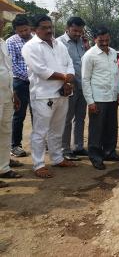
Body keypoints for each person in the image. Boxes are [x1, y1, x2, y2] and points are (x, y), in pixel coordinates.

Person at [21, 15, 76, 178]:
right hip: (43, 95)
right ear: (34, 30)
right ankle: (38, 164)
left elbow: (70, 64)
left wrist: (68, 81)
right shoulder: (30, 47)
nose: (49, 30)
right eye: (44, 27)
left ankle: (57, 158)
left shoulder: (59, 44)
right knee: (40, 131)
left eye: (50, 27)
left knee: (57, 129)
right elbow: (41, 71)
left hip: (63, 92)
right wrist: (65, 77)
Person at [82, 26, 119, 170]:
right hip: (98, 98)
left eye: (107, 40)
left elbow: (116, 74)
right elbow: (85, 80)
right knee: (96, 129)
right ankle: (95, 156)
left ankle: (109, 152)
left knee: (111, 127)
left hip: (112, 96)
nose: (105, 43)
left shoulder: (112, 53)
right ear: (95, 39)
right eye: (101, 40)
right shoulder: (89, 55)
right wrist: (90, 101)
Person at [56, 16, 88, 161]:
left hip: (83, 85)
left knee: (80, 117)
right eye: (75, 31)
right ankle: (65, 149)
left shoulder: (82, 42)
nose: (77, 34)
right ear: (67, 28)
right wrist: (65, 83)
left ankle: (78, 147)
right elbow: (57, 65)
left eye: (80, 31)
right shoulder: (59, 43)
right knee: (67, 118)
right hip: (69, 86)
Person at [0, 14, 23, 186]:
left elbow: (8, 70)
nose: (2, 23)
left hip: (6, 94)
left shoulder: (2, 42)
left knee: (5, 131)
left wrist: (13, 92)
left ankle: (3, 167)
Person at [6, 15, 32, 158]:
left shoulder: (37, 39)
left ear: (30, 27)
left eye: (25, 30)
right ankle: (15, 145)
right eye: (20, 31)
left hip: (38, 83)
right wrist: (30, 77)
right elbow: (12, 65)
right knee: (19, 114)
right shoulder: (11, 42)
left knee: (39, 113)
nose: (23, 33)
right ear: (15, 30)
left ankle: (41, 142)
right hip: (20, 83)